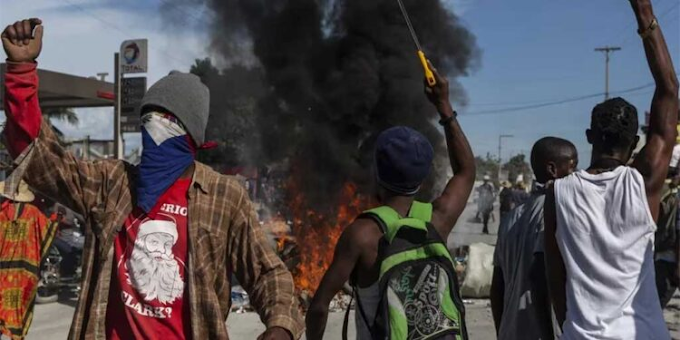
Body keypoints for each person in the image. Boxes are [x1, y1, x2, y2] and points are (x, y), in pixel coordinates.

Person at [1, 19, 302, 340]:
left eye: (166, 120)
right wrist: (21, 71)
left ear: (191, 134)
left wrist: (280, 328)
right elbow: (40, 159)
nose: (153, 129)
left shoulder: (224, 196)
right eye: (148, 118)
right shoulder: (111, 183)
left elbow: (267, 273)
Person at [305, 62, 475, 339]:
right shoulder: (437, 219)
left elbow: (319, 307)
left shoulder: (362, 235)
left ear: (377, 173)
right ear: (423, 178)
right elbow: (467, 172)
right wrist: (444, 106)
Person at [544, 0, 679, 338]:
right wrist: (645, 14)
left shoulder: (558, 192)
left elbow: (554, 274)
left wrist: (570, 326)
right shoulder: (644, 181)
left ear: (589, 136)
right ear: (635, 143)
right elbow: (669, 91)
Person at [491, 137, 578, 340]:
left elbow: (497, 285)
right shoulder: (556, 212)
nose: (576, 176)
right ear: (553, 170)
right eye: (573, 167)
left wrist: (502, 331)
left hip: (511, 331)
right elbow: (539, 276)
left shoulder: (511, 217)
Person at [0, 180, 56, 339]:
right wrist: (56, 220)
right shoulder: (33, 213)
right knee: (19, 310)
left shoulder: (2, 212)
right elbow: (46, 233)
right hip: (25, 273)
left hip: (2, 273)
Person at [654, 165, 680, 308]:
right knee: (656, 306)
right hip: (668, 260)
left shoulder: (668, 195)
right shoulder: (672, 196)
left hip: (667, 259)